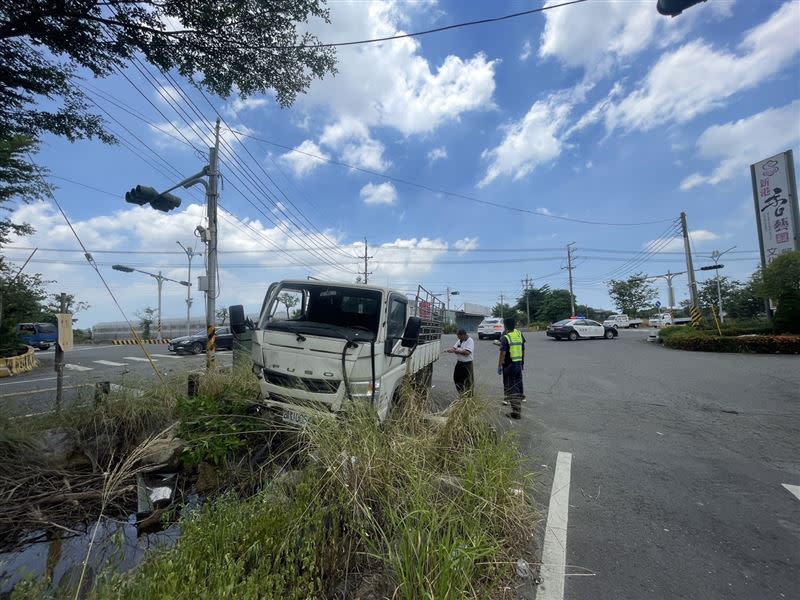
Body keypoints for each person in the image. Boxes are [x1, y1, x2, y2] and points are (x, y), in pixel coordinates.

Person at [497, 317, 525, 419]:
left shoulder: (506, 337)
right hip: (518, 364)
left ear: (506, 326)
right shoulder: (518, 335)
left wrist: (499, 366)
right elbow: (522, 349)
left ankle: (516, 413)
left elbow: (503, 354)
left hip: (509, 366)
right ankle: (517, 408)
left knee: (511, 388)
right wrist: (522, 363)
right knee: (517, 387)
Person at [445, 328, 474, 396]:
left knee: (468, 381)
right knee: (456, 378)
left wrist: (457, 351)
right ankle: (461, 393)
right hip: (459, 363)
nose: (458, 338)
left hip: (467, 364)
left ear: (463, 335)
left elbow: (467, 352)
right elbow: (454, 348)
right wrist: (449, 350)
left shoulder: (470, 341)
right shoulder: (460, 340)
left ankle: (468, 396)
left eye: (459, 336)